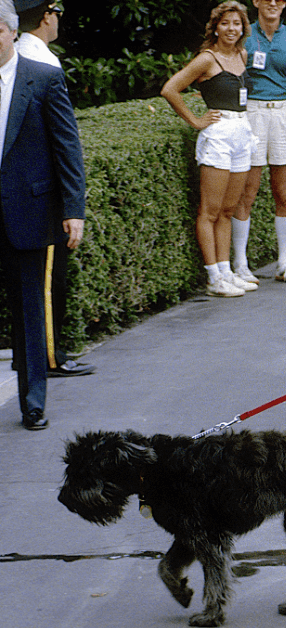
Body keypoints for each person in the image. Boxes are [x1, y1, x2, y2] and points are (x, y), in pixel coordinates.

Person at [0, 0, 87, 429]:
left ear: (12, 32)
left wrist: (73, 209)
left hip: (27, 212)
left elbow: (67, 147)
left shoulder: (44, 79)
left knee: (30, 311)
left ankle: (33, 402)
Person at [161, 1, 259, 298]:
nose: (232, 29)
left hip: (242, 132)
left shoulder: (243, 54)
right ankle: (213, 277)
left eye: (237, 24)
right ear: (215, 26)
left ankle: (226, 272)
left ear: (244, 27)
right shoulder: (207, 59)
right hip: (218, 136)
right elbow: (170, 89)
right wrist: (196, 121)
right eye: (226, 23)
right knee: (210, 210)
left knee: (228, 210)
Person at [232, 0, 286, 285]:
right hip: (251, 113)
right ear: (256, 2)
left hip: (281, 113)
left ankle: (285, 263)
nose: (273, 3)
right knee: (246, 191)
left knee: (283, 190)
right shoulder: (243, 36)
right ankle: (240, 265)